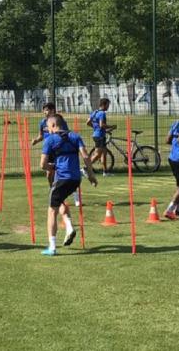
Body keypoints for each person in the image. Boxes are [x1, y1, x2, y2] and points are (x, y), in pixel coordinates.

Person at [40, 114, 97, 256]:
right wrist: (91, 175)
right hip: (75, 180)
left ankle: (52, 247)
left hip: (61, 179)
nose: (47, 129)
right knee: (60, 203)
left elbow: (42, 165)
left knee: (51, 210)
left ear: (53, 125)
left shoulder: (50, 140)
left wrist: (52, 167)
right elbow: (85, 156)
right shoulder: (75, 136)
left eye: (48, 126)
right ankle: (69, 227)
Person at [87, 98, 116, 176]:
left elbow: (88, 122)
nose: (108, 107)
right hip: (99, 136)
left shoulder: (95, 112)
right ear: (104, 104)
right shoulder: (102, 113)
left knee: (104, 153)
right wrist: (112, 126)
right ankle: (85, 169)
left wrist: (95, 128)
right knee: (97, 155)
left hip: (98, 135)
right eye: (108, 105)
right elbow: (101, 125)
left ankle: (105, 172)